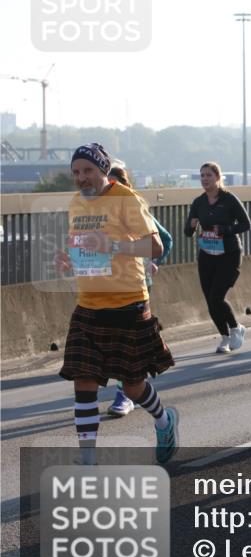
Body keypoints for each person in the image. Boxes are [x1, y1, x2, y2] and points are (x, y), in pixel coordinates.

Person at [55, 143, 179, 465]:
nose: (82, 178)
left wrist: (112, 244)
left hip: (128, 303)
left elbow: (154, 247)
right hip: (88, 305)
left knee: (134, 385)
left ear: (103, 170)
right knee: (83, 381)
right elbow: (85, 247)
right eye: (76, 172)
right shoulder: (75, 203)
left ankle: (164, 421)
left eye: (88, 171)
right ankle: (88, 460)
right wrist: (69, 259)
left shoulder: (126, 200)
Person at [104, 164, 174, 418]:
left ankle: (125, 395)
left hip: (136, 286)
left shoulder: (134, 209)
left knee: (126, 347)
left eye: (113, 185)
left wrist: (156, 261)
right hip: (107, 288)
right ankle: (132, 391)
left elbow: (165, 240)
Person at [184, 162, 251, 353]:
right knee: (210, 300)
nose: (205, 179)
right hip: (207, 255)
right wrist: (191, 224)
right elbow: (187, 232)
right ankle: (224, 337)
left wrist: (226, 229)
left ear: (218, 177)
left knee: (217, 296)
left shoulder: (229, 199)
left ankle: (236, 327)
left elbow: (246, 224)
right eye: (202, 176)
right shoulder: (199, 202)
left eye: (209, 175)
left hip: (229, 254)